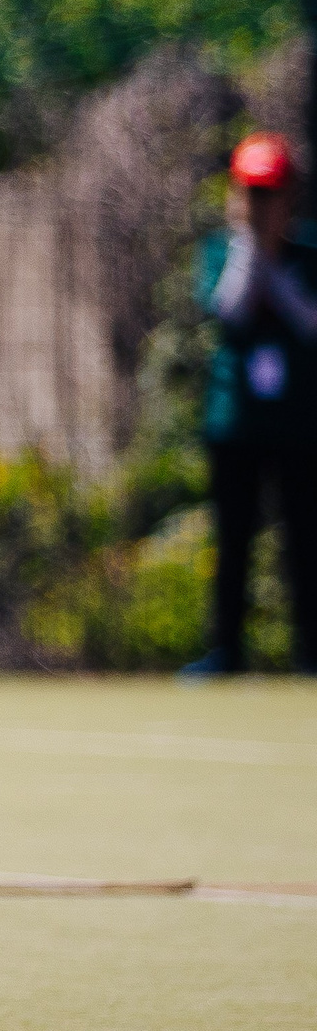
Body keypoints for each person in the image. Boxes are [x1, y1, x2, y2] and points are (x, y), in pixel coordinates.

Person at [184, 131, 317, 675]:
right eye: (253, 193)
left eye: (273, 193)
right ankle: (227, 652)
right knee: (234, 540)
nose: (263, 206)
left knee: (306, 541)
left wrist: (276, 266)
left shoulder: (308, 253)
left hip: (298, 425)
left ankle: (310, 651)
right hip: (234, 423)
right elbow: (231, 312)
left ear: (291, 196)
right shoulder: (220, 251)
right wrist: (250, 252)